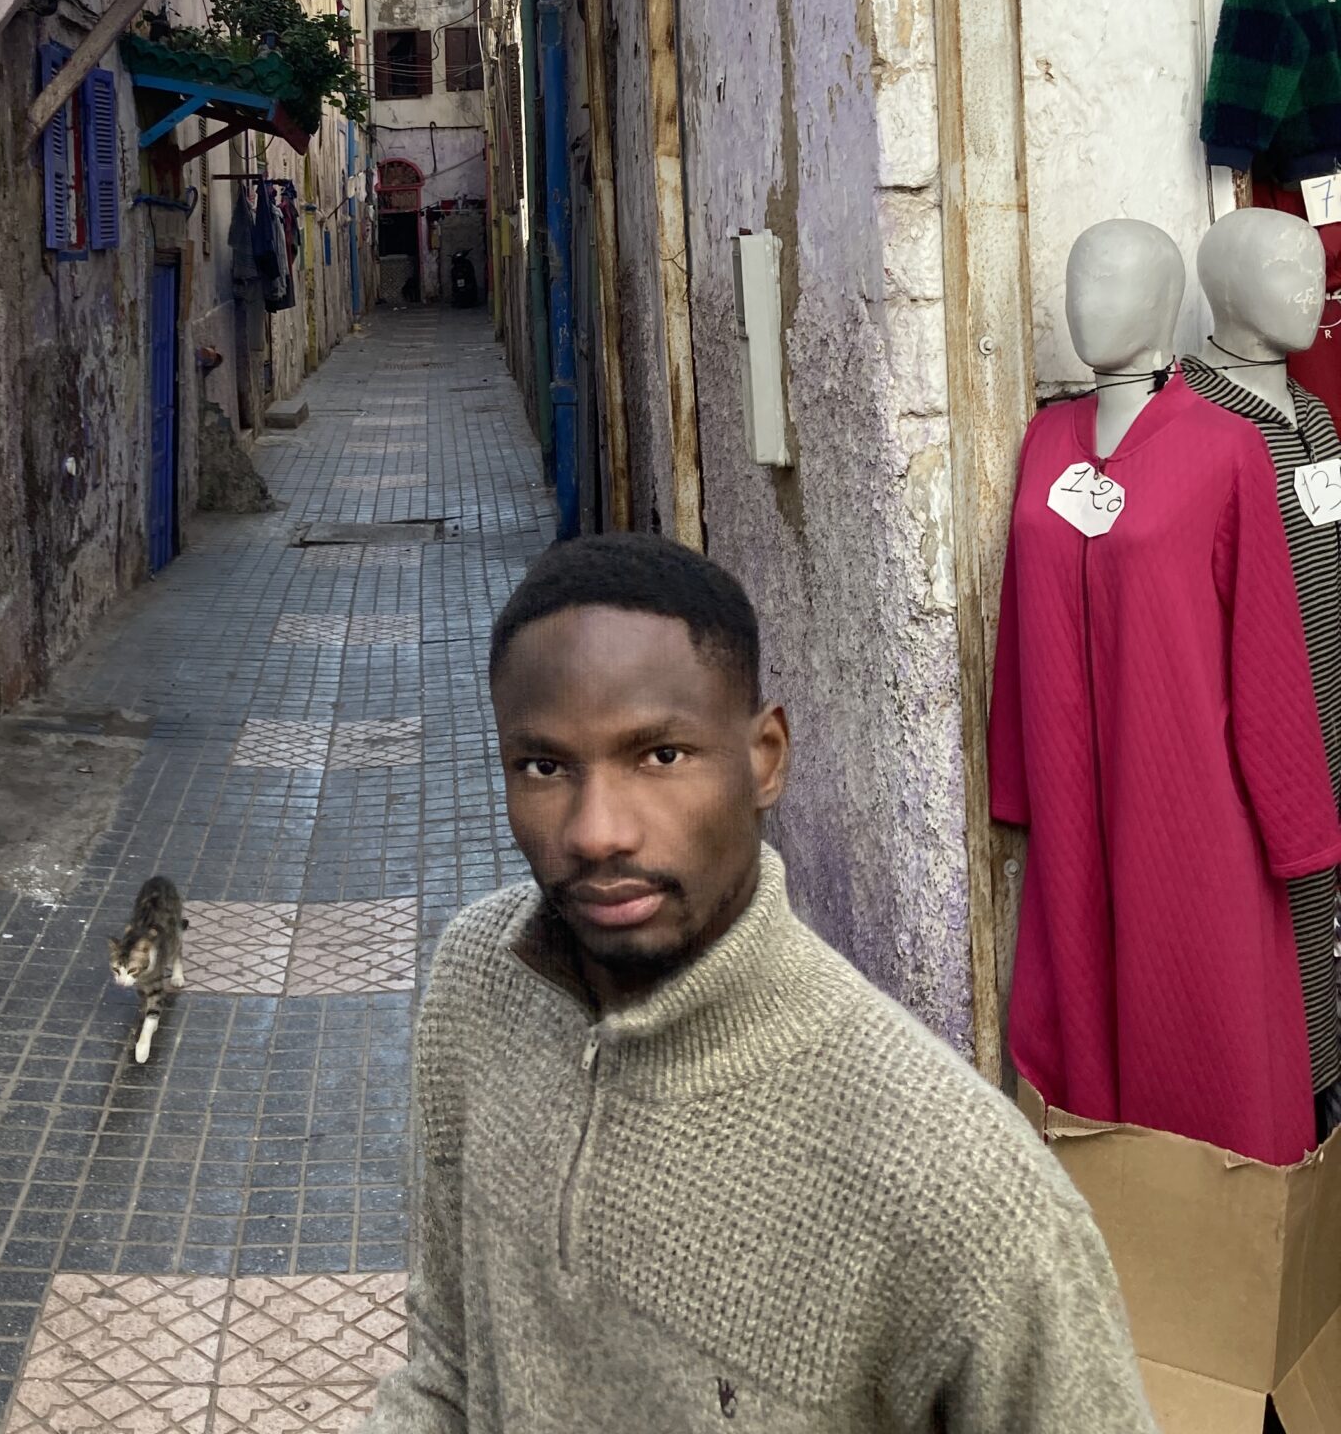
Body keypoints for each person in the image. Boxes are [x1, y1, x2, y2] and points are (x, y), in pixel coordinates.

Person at [361, 533, 1156, 1433]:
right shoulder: (478, 985)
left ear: (765, 757)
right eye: (545, 767)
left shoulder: (959, 1184)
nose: (596, 831)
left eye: (660, 756)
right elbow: (447, 1365)